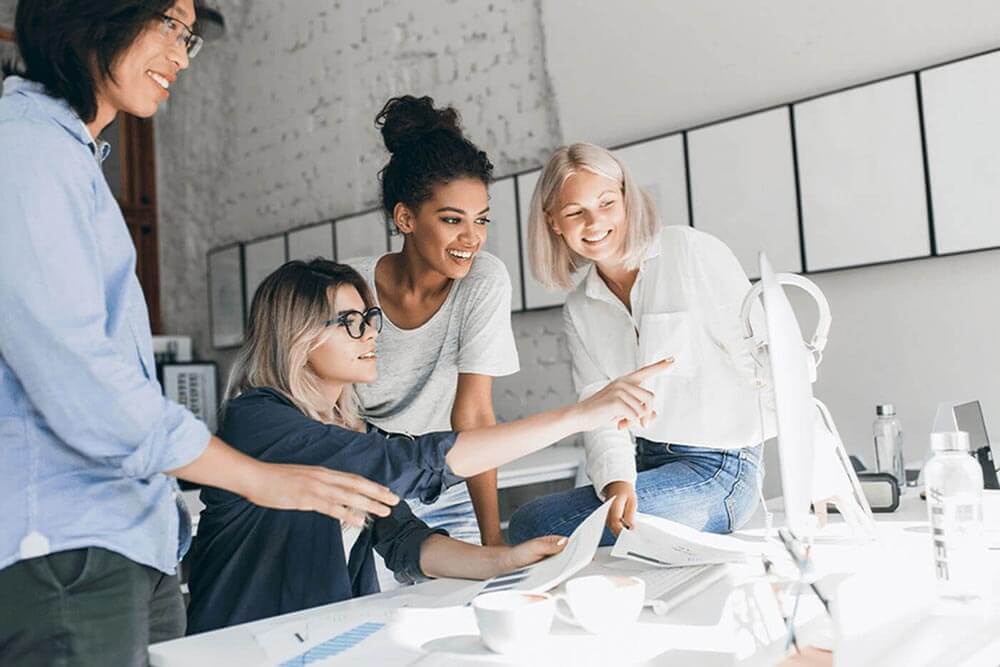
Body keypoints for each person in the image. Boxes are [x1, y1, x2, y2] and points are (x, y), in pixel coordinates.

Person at [0, 3, 397, 664]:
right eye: (169, 27)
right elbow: (81, 382)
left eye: (188, 39)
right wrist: (259, 479)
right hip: (69, 556)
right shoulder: (26, 154)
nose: (182, 57)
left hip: (131, 545)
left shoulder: (69, 160)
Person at [185, 260, 669, 633]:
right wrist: (580, 414)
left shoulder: (353, 435)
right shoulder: (258, 419)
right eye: (349, 321)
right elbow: (412, 463)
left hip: (316, 640)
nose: (370, 332)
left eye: (369, 318)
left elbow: (405, 542)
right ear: (298, 336)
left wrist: (506, 560)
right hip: (238, 645)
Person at [508, 142, 771, 546]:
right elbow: (597, 409)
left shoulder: (690, 252)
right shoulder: (580, 308)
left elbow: (767, 362)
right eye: (575, 212)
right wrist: (616, 483)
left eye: (607, 203)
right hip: (644, 465)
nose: (594, 222)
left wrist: (816, 470)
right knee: (530, 519)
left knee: (542, 529)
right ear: (554, 223)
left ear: (628, 199)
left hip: (721, 471)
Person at [347, 95, 516, 547]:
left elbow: (475, 413)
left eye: (480, 220)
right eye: (451, 220)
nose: (471, 238)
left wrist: (491, 541)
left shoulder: (483, 281)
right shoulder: (349, 288)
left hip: (450, 486)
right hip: (365, 492)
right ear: (405, 218)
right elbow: (330, 415)